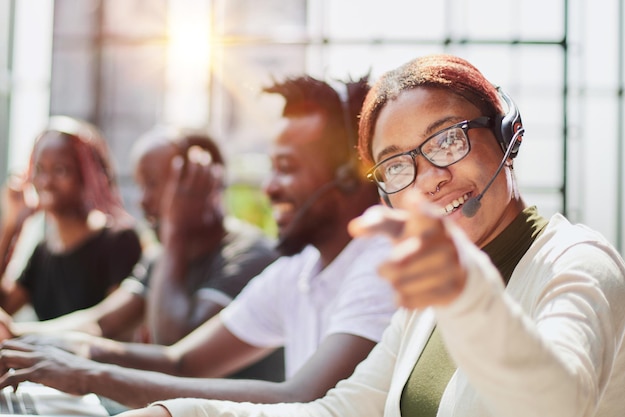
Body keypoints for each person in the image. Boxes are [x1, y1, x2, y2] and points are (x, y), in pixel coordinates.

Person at [117, 54, 625, 417]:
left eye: (448, 140)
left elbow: (556, 404)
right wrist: (179, 413)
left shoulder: (579, 264)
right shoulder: (425, 303)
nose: (429, 177)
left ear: (506, 133)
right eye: (397, 165)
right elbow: (342, 409)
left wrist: (464, 292)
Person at [0, 75, 398, 408]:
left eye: (287, 169)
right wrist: (28, 345)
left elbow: (305, 398)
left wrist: (84, 374)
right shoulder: (299, 269)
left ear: (351, 176)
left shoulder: (380, 263)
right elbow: (181, 361)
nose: (269, 186)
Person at [0, 128, 281, 357]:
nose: (142, 200)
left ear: (202, 181)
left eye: (153, 184)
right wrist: (14, 334)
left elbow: (174, 342)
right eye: (140, 185)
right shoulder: (160, 257)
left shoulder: (248, 256)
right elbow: (101, 322)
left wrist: (175, 232)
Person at [0, 116, 142, 321]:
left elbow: (109, 325)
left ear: (88, 175)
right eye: (39, 170)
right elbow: (5, 308)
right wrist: (12, 224)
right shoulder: (43, 252)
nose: (46, 182)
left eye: (60, 170)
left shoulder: (119, 241)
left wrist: (27, 335)